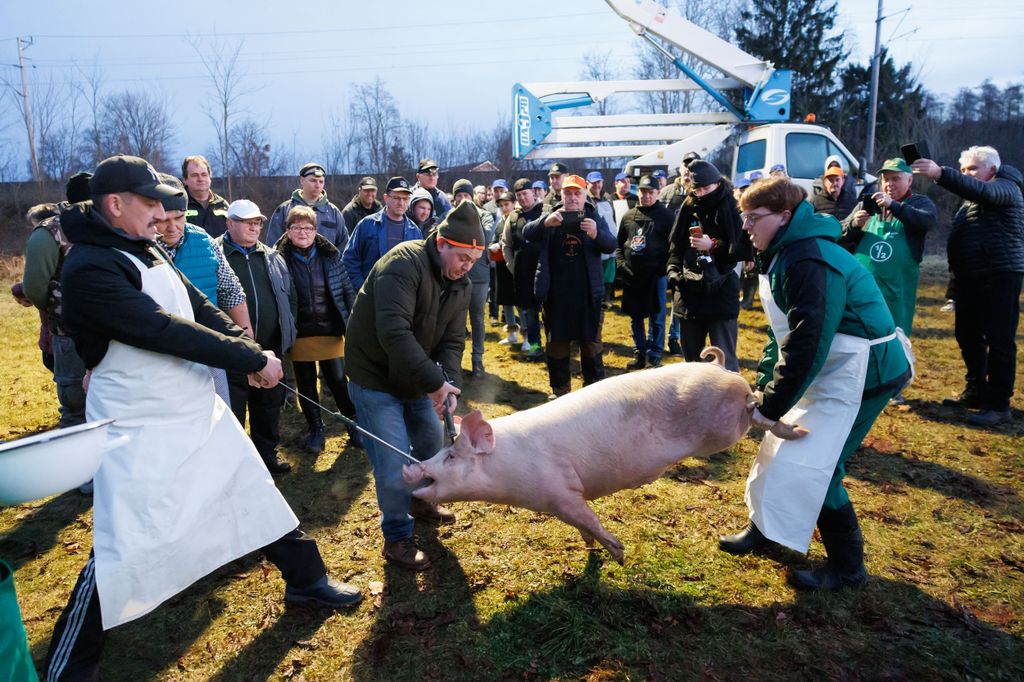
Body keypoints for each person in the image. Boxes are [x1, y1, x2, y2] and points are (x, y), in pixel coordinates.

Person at [44, 155, 361, 681]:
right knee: (126, 537)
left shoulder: (143, 245)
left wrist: (246, 347)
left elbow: (195, 306)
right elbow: (162, 329)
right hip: (139, 423)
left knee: (251, 487)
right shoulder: (90, 265)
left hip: (191, 407)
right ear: (115, 204)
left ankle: (306, 578)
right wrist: (249, 360)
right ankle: (69, 666)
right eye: (149, 203)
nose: (161, 212)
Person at [719, 175, 912, 592]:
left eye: (754, 217)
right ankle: (767, 529)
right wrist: (765, 389)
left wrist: (771, 408)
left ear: (785, 216)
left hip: (865, 372)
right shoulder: (783, 252)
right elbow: (782, 331)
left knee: (820, 466)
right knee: (779, 449)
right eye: (744, 217)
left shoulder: (809, 260)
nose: (746, 226)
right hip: (833, 366)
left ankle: (848, 568)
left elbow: (807, 342)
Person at [345, 201, 484, 571]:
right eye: (462, 258)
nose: (467, 268)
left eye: (473, 261)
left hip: (417, 378)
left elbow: (453, 342)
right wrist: (435, 383)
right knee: (393, 462)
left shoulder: (461, 284)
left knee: (430, 446)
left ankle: (421, 501)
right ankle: (396, 537)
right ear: (441, 243)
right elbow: (394, 333)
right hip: (375, 377)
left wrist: (448, 385)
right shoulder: (402, 264)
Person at [913, 146, 1024, 427]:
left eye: (972, 169)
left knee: (1000, 340)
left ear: (992, 169)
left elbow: (985, 192)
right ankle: (976, 390)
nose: (967, 175)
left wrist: (940, 173)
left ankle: (999, 405)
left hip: (1000, 274)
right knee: (967, 334)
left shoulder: (1007, 187)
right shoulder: (971, 201)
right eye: (963, 170)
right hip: (970, 278)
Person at [153, 173, 250, 404]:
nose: (173, 227)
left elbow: (231, 292)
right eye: (164, 220)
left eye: (179, 217)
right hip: (161, 354)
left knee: (218, 410)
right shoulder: (142, 247)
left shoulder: (203, 241)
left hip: (208, 346)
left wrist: (248, 344)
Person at [218, 199, 297, 475]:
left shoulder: (271, 255)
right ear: (229, 223)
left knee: (268, 406)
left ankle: (266, 455)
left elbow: (289, 297)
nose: (254, 227)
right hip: (233, 351)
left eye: (257, 222)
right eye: (246, 222)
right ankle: (236, 462)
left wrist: (288, 328)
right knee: (234, 408)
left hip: (270, 348)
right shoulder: (216, 254)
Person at [275, 205, 361, 452]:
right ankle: (316, 429)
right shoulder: (278, 259)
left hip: (330, 329)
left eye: (308, 227)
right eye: (297, 227)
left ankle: (353, 426)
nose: (303, 232)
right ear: (288, 231)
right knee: (307, 384)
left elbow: (345, 290)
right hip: (299, 333)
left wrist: (352, 322)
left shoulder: (330, 256)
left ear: (315, 230)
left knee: (337, 380)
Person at [523, 174, 617, 397]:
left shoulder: (593, 214)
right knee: (556, 347)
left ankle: (593, 395)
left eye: (577, 193)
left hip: (587, 295)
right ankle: (560, 394)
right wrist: (545, 223)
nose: (573, 198)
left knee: (591, 346)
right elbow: (526, 233)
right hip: (557, 296)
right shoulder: (552, 214)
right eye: (568, 193)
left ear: (585, 195)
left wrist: (596, 233)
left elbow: (611, 244)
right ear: (561, 194)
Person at [20, 174, 92, 430]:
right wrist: (57, 311)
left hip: (113, 332)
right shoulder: (50, 232)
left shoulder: (111, 224)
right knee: (76, 407)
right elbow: (34, 288)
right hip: (69, 334)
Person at [665, 160, 749, 371]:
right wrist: (673, 271)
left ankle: (729, 402)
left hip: (721, 292)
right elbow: (675, 246)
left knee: (724, 360)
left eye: (707, 188)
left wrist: (712, 244)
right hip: (689, 292)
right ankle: (696, 403)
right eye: (697, 189)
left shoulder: (731, 207)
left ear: (718, 184)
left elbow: (742, 248)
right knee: (692, 362)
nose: (702, 194)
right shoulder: (688, 206)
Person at [842, 158, 937, 341]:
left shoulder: (919, 203)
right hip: (863, 290)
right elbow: (840, 232)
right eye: (885, 179)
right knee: (861, 338)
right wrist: (854, 224)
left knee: (895, 338)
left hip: (897, 292)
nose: (889, 184)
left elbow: (926, 221)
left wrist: (893, 205)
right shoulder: (868, 204)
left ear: (909, 181)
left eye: (895, 179)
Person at [616, 175, 674, 369]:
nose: (646, 196)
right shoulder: (628, 216)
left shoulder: (666, 216)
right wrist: (622, 265)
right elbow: (618, 245)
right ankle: (639, 352)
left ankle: (655, 352)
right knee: (636, 316)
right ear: (637, 191)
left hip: (656, 276)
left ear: (657, 193)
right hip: (632, 276)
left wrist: (662, 269)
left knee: (657, 316)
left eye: (651, 192)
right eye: (643, 191)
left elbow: (673, 246)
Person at [343, 177, 421, 293]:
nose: (401, 202)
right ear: (386, 198)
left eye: (405, 198)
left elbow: (419, 269)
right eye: (396, 198)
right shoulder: (367, 225)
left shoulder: (415, 232)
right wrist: (362, 289)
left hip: (402, 298)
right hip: (371, 296)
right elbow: (350, 259)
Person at [452, 179, 496, 376]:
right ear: (454, 199)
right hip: (454, 276)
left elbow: (484, 239)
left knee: (477, 318)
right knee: (455, 320)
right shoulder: (448, 217)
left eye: (466, 196)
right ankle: (454, 360)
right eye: (459, 196)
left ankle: (477, 359)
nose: (463, 200)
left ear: (473, 198)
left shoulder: (485, 216)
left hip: (478, 276)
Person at [502, 178, 545, 359]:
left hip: (545, 273)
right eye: (518, 195)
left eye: (525, 194)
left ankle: (557, 345)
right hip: (523, 276)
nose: (522, 198)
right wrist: (513, 267)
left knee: (550, 312)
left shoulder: (545, 212)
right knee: (529, 314)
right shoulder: (513, 217)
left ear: (533, 193)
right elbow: (506, 245)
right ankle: (535, 346)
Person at [266, 163, 348, 250]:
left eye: (321, 181)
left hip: (327, 263)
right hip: (290, 262)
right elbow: (272, 246)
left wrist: (336, 263)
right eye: (313, 181)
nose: (317, 185)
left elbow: (344, 246)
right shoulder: (285, 210)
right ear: (302, 180)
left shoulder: (333, 212)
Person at [181, 154, 230, 238]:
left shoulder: (223, 205)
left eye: (204, 174)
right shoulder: (179, 204)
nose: (200, 179)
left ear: (210, 178)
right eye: (194, 175)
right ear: (185, 180)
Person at [810, 156, 856, 220]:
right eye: (831, 180)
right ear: (824, 181)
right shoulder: (815, 201)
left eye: (837, 180)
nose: (834, 183)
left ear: (843, 180)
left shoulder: (851, 200)